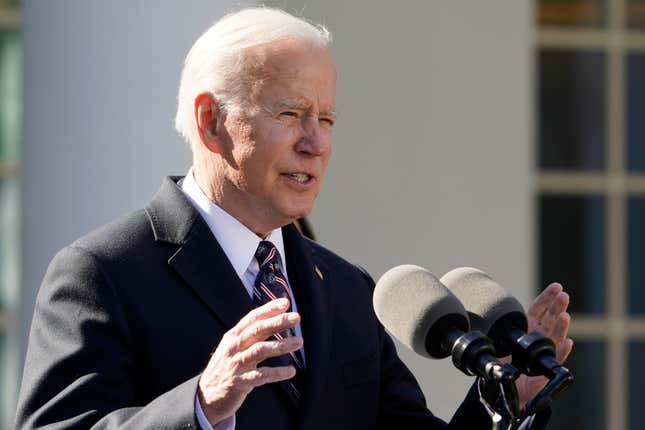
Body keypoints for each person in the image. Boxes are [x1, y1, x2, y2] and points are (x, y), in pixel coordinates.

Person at [14, 7, 573, 430]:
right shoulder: (103, 273)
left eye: (326, 119)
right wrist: (201, 405)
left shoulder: (349, 289)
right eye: (291, 114)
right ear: (211, 122)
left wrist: (503, 400)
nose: (316, 143)